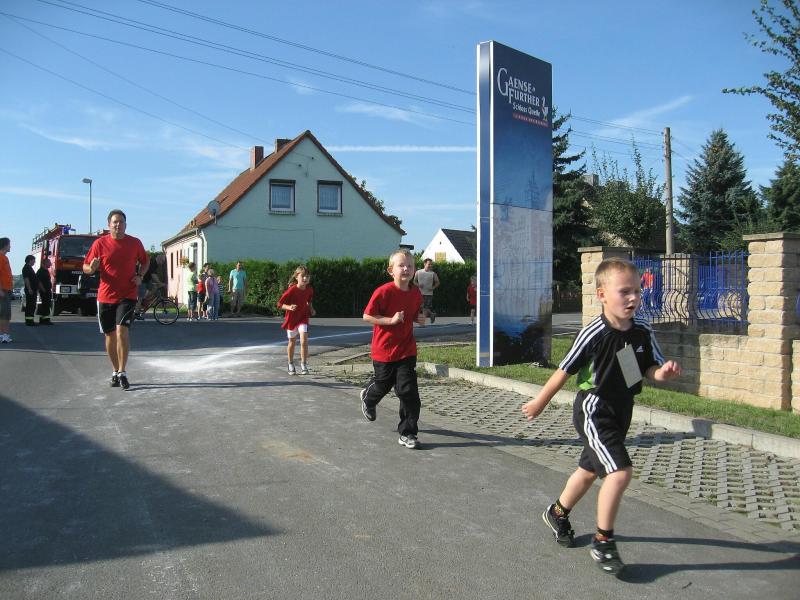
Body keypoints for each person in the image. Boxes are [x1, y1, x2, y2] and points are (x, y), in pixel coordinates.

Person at [521, 257, 682, 576]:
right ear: (602, 295)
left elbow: (648, 369)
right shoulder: (594, 332)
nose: (633, 298)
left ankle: (557, 513)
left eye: (637, 291)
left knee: (588, 471)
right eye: (625, 291)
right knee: (619, 472)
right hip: (594, 409)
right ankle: (603, 541)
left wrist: (662, 373)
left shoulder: (642, 330)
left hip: (623, 410)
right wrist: (540, 401)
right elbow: (564, 370)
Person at [360, 249, 426, 449]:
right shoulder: (383, 292)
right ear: (391, 270)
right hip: (384, 350)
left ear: (414, 270)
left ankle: (408, 433)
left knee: (408, 391)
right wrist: (391, 320)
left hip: (406, 350)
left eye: (410, 266)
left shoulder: (416, 292)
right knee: (382, 384)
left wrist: (418, 318)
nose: (406, 269)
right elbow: (367, 316)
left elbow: (413, 313)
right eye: (401, 265)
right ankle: (368, 398)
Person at [83, 209, 148, 390]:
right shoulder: (100, 243)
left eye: (121, 222)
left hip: (127, 294)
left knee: (122, 331)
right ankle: (114, 370)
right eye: (115, 222)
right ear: (109, 225)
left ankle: (123, 372)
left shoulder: (135, 243)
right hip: (105, 296)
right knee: (110, 335)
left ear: (126, 225)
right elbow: (86, 267)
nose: (118, 225)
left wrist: (140, 276)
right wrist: (92, 268)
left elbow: (145, 261)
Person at [277, 265, 316, 375]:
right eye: (303, 276)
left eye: (307, 276)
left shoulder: (309, 289)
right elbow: (279, 304)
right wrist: (289, 307)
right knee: (292, 342)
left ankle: (304, 364)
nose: (305, 278)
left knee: (304, 340)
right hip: (291, 319)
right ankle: (290, 363)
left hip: (303, 318)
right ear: (296, 277)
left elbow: (309, 301)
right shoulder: (292, 290)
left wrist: (311, 309)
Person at [413, 258, 439, 324]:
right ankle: (432, 314)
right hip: (419, 293)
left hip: (429, 294)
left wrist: (432, 288)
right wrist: (418, 285)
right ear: (424, 264)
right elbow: (414, 281)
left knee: (425, 308)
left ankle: (423, 323)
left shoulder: (433, 273)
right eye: (429, 264)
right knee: (420, 307)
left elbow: (437, 282)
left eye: (431, 264)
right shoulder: (418, 272)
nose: (430, 265)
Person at [0, 237, 13, 343]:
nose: (10, 246)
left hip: (7, 289)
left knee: (5, 314)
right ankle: (4, 335)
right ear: (5, 245)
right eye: (9, 244)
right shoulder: (0, 257)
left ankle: (3, 335)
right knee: (5, 314)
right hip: (3, 290)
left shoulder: (5, 257)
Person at [22, 254, 38, 326]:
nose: (34, 262)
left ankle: (31, 320)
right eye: (34, 260)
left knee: (32, 305)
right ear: (30, 260)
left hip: (32, 289)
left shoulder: (29, 268)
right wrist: (29, 289)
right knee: (30, 305)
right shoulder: (26, 268)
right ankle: (29, 321)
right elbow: (26, 279)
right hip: (30, 290)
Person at [36, 257, 53, 325]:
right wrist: (43, 289)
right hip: (44, 291)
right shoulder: (41, 271)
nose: (50, 264)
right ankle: (44, 320)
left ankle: (44, 319)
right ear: (45, 263)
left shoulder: (46, 271)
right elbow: (39, 281)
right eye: (49, 263)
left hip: (47, 290)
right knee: (45, 305)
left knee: (47, 305)